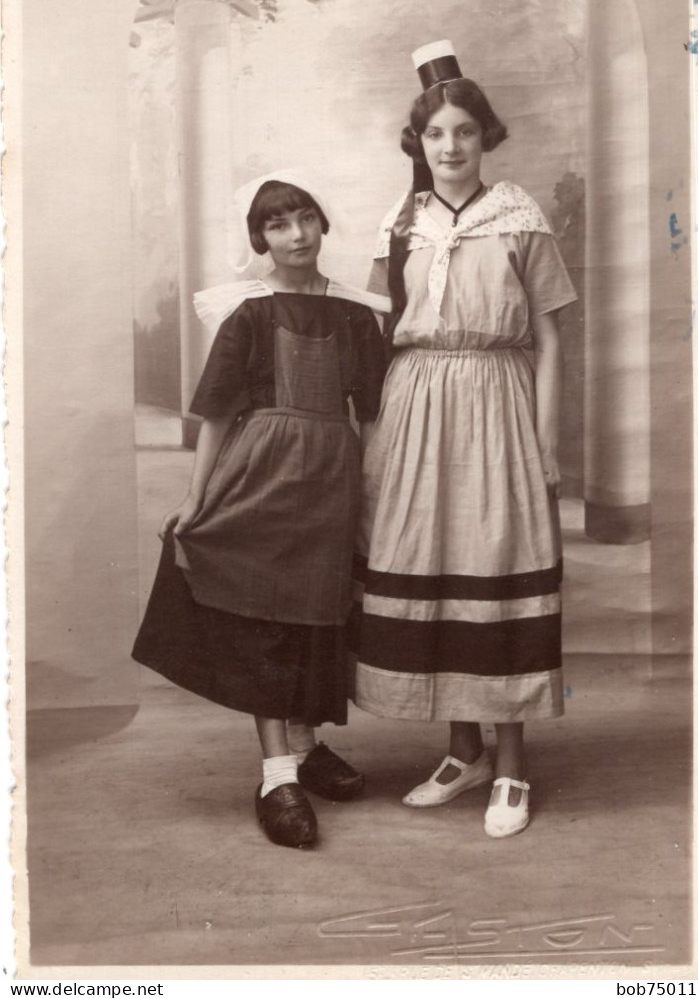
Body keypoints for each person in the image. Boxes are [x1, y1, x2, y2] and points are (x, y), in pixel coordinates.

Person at [351, 41, 577, 838]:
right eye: (436, 135)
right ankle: (462, 752)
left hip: (496, 403)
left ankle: (511, 765)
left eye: (466, 133)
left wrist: (546, 442)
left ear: (487, 139)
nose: (450, 147)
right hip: (416, 405)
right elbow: (378, 333)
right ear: (419, 144)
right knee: (434, 564)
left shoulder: (520, 218)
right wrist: (375, 439)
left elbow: (549, 342)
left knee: (493, 561)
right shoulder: (400, 224)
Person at [133, 172, 389, 850]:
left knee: (315, 618)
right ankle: (277, 776)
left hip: (332, 483)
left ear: (322, 224)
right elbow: (217, 414)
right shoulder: (249, 312)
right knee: (264, 621)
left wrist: (372, 496)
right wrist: (196, 496)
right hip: (263, 474)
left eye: (304, 217)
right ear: (260, 237)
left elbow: (373, 415)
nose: (295, 234)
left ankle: (304, 748)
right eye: (278, 224)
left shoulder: (355, 314)